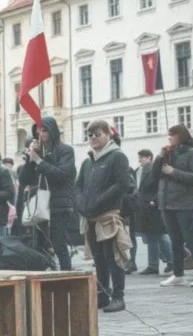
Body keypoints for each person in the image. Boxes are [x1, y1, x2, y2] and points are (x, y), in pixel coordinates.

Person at [75, 120, 132, 313]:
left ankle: (118, 296)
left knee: (113, 257)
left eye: (97, 134)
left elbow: (122, 184)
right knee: (98, 259)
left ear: (108, 134)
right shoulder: (88, 161)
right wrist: (81, 205)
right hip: (90, 217)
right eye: (89, 135)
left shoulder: (117, 157)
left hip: (107, 215)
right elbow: (78, 187)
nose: (92, 138)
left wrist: (98, 202)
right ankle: (102, 295)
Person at [151, 125, 193, 288]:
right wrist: (160, 156)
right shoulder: (168, 152)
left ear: (181, 136)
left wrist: (174, 172)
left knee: (190, 240)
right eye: (169, 135)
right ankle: (178, 274)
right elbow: (154, 175)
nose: (170, 138)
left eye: (173, 135)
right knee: (175, 240)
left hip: (184, 203)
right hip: (166, 203)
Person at [19, 116, 76, 271]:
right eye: (38, 132)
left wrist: (39, 160)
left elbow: (61, 175)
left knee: (58, 243)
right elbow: (25, 179)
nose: (41, 135)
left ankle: (66, 277)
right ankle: (44, 275)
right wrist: (30, 160)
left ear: (52, 131)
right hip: (40, 202)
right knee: (39, 242)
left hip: (59, 202)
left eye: (44, 131)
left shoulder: (65, 150)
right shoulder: (37, 151)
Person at [135, 149, 172, 275]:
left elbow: (159, 187)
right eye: (139, 157)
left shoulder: (151, 170)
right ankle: (172, 261)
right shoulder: (140, 170)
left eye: (143, 157)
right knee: (158, 236)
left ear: (150, 158)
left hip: (152, 207)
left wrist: (153, 201)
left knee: (154, 236)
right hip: (146, 207)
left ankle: (154, 265)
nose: (140, 160)